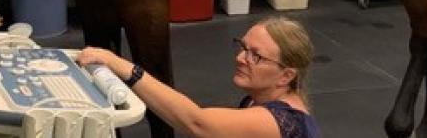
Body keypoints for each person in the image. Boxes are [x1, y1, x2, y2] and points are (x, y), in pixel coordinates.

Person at [78, 16, 320, 138]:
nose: (240, 58)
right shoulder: (257, 101)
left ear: (286, 75)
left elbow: (196, 123)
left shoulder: (277, 120)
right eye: (243, 47)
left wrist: (121, 65)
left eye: (255, 56)